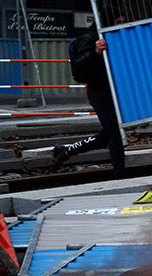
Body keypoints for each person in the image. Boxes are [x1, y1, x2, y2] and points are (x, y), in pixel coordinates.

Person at [52, 19, 126, 175]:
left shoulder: (111, 36)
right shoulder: (90, 37)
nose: (121, 23)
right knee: (115, 134)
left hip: (110, 90)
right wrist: (95, 52)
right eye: (118, 20)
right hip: (99, 92)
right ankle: (120, 175)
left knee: (109, 133)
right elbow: (79, 64)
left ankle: (66, 151)